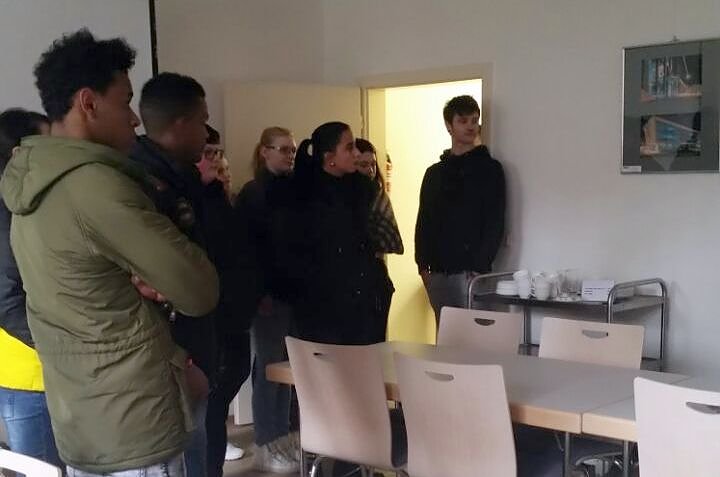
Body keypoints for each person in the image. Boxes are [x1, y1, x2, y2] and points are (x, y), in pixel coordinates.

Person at [0, 29, 219, 476]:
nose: (135, 119)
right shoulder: (96, 187)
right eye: (125, 101)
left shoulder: (33, 183)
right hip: (135, 421)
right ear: (89, 103)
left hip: (84, 415)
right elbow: (199, 289)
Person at [129, 72, 217, 477]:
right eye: (202, 121)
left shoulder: (181, 176)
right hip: (175, 349)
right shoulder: (144, 181)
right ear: (180, 124)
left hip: (197, 340)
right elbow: (157, 282)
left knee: (199, 443)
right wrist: (185, 359)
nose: (207, 132)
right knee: (187, 447)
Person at [277, 122, 391, 346]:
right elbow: (296, 249)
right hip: (321, 302)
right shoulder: (302, 193)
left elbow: (375, 238)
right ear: (329, 157)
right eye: (349, 148)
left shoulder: (363, 188)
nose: (356, 153)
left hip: (363, 298)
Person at [0, 108, 62, 469]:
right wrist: (60, 344)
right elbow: (6, 300)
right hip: (28, 373)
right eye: (49, 144)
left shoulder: (26, 203)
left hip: (45, 366)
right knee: (41, 469)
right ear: (18, 154)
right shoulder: (6, 212)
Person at [235, 127, 299, 473]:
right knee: (269, 366)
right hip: (267, 295)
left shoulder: (293, 190)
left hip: (292, 292)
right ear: (265, 151)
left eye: (293, 150)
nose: (290, 155)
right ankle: (265, 441)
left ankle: (283, 434)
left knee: (288, 368)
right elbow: (249, 251)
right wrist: (259, 293)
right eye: (284, 149)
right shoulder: (253, 194)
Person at [415, 95, 505, 325]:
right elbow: (424, 221)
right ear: (449, 125)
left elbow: (495, 222)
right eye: (463, 121)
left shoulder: (490, 169)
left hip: (471, 273)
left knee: (476, 335)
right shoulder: (434, 173)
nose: (470, 126)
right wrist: (422, 266)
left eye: (474, 120)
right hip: (438, 271)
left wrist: (479, 266)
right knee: (446, 334)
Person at [198, 125, 256, 477]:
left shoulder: (224, 200)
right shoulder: (189, 201)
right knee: (210, 403)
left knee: (233, 377)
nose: (216, 163)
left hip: (234, 312)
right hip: (210, 316)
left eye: (219, 155)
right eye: (209, 155)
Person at [354, 138, 403, 329]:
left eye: (373, 164)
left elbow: (389, 239)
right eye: (363, 165)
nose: (370, 170)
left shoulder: (378, 194)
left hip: (375, 277)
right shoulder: (345, 198)